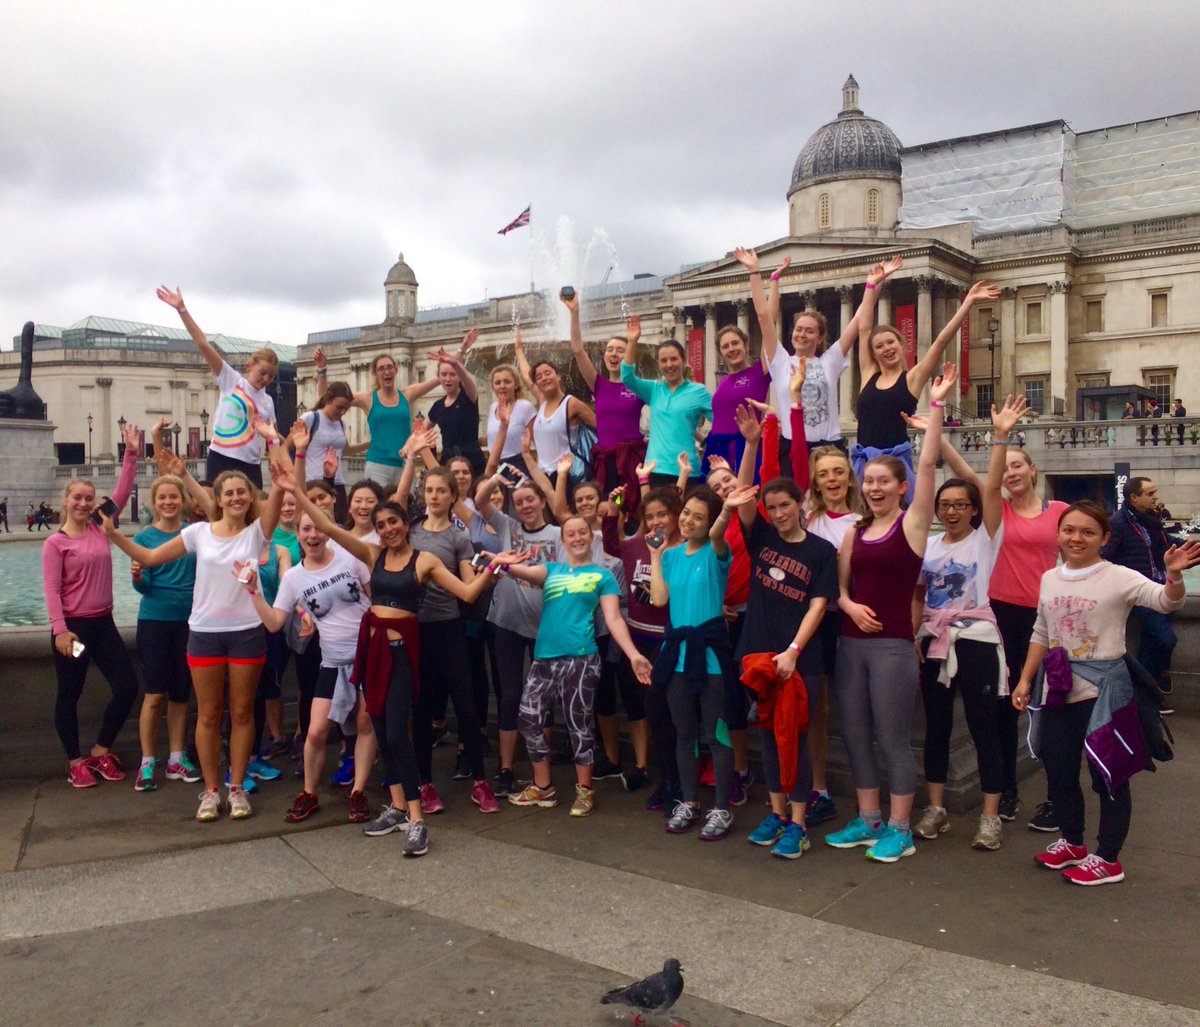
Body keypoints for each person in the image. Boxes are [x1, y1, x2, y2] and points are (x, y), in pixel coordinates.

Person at [293, 482, 498, 855]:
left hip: (401, 654)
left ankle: (416, 821)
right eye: (381, 524)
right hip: (372, 652)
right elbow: (328, 525)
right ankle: (398, 806)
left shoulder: (425, 561)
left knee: (397, 734)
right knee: (382, 730)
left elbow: (467, 594)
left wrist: (493, 568)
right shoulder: (373, 555)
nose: (388, 529)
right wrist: (296, 489)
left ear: (406, 523)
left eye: (393, 522)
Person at [1011, 502, 1199, 886]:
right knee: (1059, 770)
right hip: (1060, 689)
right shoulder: (1050, 578)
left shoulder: (1119, 577)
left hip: (1105, 692)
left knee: (1108, 775)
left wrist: (1174, 576)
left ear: (1104, 538)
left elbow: (1167, 602)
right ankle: (1073, 841)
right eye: (1069, 530)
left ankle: (1108, 858)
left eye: (1087, 532)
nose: (1076, 538)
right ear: (1058, 534)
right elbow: (1042, 633)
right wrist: (1025, 679)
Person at [103, 435, 287, 822]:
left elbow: (284, 488)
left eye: (243, 492)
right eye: (229, 493)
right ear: (217, 499)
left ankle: (236, 788)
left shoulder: (257, 534)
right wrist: (115, 535)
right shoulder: (198, 533)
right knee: (206, 714)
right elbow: (151, 557)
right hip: (204, 632)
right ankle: (210, 790)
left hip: (246, 631)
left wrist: (277, 448)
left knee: (240, 713)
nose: (237, 497)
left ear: (250, 498)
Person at [825, 365, 956, 863]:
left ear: (900, 488)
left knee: (893, 739)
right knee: (856, 735)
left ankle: (900, 826)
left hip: (894, 646)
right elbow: (839, 585)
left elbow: (926, 468)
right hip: (849, 642)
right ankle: (868, 818)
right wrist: (848, 604)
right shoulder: (856, 530)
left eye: (883, 481)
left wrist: (937, 407)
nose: (874, 487)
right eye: (869, 480)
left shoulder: (914, 525)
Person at [908, 397, 1024, 851]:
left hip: (975, 639)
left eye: (961, 504)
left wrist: (999, 437)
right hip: (935, 640)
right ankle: (936, 808)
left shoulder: (985, 540)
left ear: (974, 510)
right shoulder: (930, 546)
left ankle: (990, 816)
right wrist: (914, 633)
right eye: (945, 504)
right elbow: (917, 592)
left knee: (983, 728)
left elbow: (992, 488)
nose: (952, 511)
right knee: (936, 728)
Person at [492, 517, 653, 817]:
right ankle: (543, 786)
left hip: (581, 659)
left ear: (590, 539)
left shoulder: (603, 576)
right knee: (528, 719)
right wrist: (498, 562)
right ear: (563, 541)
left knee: (578, 725)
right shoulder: (551, 570)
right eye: (571, 534)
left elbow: (614, 618)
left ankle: (585, 790)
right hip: (544, 659)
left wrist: (632, 655)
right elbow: (520, 571)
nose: (577, 538)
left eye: (582, 533)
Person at [238, 510, 375, 824]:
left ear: (328, 531)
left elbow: (374, 599)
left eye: (318, 529)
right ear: (297, 534)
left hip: (368, 656)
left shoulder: (349, 559)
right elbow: (274, 623)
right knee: (315, 732)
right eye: (306, 530)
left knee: (366, 723)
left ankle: (358, 791)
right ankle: (309, 792)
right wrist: (252, 591)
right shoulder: (294, 578)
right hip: (333, 662)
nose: (313, 535)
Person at [732, 472, 838, 860]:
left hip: (799, 661)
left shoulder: (821, 551)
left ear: (801, 505)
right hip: (758, 656)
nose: (778, 514)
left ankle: (798, 823)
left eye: (785, 506)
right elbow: (743, 494)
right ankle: (777, 815)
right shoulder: (761, 538)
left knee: (794, 737)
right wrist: (751, 442)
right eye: (772, 507)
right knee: (767, 737)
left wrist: (793, 650)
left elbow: (818, 605)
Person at [42, 422, 142, 788]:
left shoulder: (102, 526)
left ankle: (100, 751)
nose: (84, 503)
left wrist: (130, 453)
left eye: (89, 498)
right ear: (65, 502)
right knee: (70, 693)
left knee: (127, 686)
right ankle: (75, 761)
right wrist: (61, 630)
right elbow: (51, 589)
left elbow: (123, 489)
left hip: (102, 626)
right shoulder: (56, 543)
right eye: (77, 498)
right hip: (76, 630)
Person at [649, 485, 747, 841]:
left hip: (711, 659)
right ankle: (689, 801)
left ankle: (722, 808)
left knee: (716, 734)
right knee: (684, 733)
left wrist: (726, 513)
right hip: (676, 658)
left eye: (699, 516)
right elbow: (660, 598)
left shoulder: (716, 551)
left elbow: (719, 533)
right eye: (687, 513)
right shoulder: (672, 555)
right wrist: (656, 555)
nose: (690, 520)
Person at [739, 249, 896, 465]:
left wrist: (875, 284)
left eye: (809, 331)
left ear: (819, 337)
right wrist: (754, 272)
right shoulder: (780, 360)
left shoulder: (829, 361)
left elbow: (859, 319)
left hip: (829, 448)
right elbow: (764, 317)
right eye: (798, 329)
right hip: (793, 448)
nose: (802, 334)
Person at [986, 429, 1069, 830]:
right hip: (1003, 615)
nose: (1011, 472)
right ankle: (1007, 790)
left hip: (1049, 619)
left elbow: (1082, 559)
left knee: (1053, 707)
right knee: (1004, 708)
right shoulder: (999, 511)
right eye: (1006, 468)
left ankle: (1057, 797)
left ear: (1033, 471)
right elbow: (975, 477)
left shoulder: (1060, 512)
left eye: (1018, 465)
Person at [854, 276, 999, 497]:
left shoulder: (911, 379)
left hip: (895, 464)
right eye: (880, 346)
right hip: (863, 461)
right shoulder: (868, 374)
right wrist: (871, 285)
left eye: (891, 342)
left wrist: (968, 302)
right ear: (873, 353)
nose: (887, 348)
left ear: (901, 345)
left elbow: (940, 342)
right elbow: (864, 328)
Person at [406, 468, 498, 815]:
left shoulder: (459, 537)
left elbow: (468, 586)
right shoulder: (411, 531)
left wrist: (492, 571)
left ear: (451, 496)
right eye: (429, 490)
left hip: (449, 627)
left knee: (467, 705)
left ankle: (479, 780)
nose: (434, 496)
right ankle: (425, 783)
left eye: (441, 491)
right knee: (423, 707)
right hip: (417, 629)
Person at [474, 475, 561, 797]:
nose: (525, 505)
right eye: (519, 501)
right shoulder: (509, 526)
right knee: (510, 696)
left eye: (530, 499)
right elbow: (481, 501)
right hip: (507, 623)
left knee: (544, 699)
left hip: (547, 626)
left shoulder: (557, 534)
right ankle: (506, 768)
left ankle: (543, 764)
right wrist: (496, 477)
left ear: (541, 501)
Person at [602, 485, 683, 809]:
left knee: (674, 716)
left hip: (668, 641)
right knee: (653, 714)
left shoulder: (683, 549)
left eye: (662, 514)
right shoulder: (638, 544)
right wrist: (613, 506)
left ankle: (679, 784)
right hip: (637, 641)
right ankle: (665, 781)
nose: (656, 522)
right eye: (649, 516)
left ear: (675, 515)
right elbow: (610, 544)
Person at [156, 286, 277, 488]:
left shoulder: (268, 401)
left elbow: (274, 438)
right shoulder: (232, 380)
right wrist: (182, 309)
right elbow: (203, 344)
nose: (265, 379)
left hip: (250, 462)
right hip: (222, 455)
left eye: (271, 377)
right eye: (262, 373)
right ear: (250, 367)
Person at [129, 473, 202, 792]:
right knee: (155, 693)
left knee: (181, 693)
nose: (169, 502)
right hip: (155, 620)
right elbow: (140, 587)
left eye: (174, 496)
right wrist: (138, 578)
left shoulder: (194, 535)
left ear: (183, 501)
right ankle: (147, 761)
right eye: (163, 498)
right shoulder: (144, 538)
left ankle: (176, 757)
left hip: (189, 621)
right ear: (154, 503)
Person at [313, 346, 443, 490]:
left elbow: (441, 378)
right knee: (379, 508)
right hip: (377, 465)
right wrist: (322, 369)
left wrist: (454, 357)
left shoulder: (407, 394)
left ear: (396, 370)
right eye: (381, 369)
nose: (386, 371)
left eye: (389, 367)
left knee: (405, 508)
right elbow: (326, 399)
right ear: (374, 373)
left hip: (405, 463)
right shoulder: (367, 399)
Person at [565, 297, 647, 519]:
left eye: (620, 350)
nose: (613, 354)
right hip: (607, 461)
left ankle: (630, 537)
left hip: (631, 460)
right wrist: (574, 313)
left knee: (630, 505)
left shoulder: (638, 387)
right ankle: (612, 539)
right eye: (610, 350)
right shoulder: (598, 384)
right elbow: (578, 350)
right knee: (609, 505)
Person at [1102, 477, 1181, 696]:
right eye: (1150, 493)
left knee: (1150, 643)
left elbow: (1171, 543)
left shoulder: (1151, 521)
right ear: (1134, 498)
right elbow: (1103, 557)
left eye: (1155, 492)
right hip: (1138, 593)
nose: (1155, 497)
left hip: (1160, 589)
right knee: (1166, 640)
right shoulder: (1118, 523)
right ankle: (1159, 677)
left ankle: (1145, 695)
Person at [621, 332, 711, 489]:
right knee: (655, 513)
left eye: (674, 359)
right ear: (659, 364)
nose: (669, 365)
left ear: (683, 361)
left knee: (685, 513)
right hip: (655, 468)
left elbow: (720, 421)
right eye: (664, 360)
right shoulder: (653, 389)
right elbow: (627, 376)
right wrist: (632, 341)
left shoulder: (699, 392)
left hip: (687, 469)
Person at [514, 332, 596, 485]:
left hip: (567, 474)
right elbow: (527, 376)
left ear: (558, 376)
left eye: (548, 373)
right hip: (543, 474)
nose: (544, 378)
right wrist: (519, 350)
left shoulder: (571, 403)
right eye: (539, 377)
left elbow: (599, 425)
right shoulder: (542, 399)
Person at [703, 317, 770, 476]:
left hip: (744, 447)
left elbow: (769, 321)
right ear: (721, 353)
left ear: (745, 344)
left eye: (735, 343)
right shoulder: (724, 380)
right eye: (725, 346)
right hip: (717, 450)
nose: (731, 349)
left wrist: (771, 290)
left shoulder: (759, 372)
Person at [426, 332, 485, 475]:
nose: (448, 379)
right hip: (448, 461)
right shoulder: (437, 406)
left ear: (459, 377)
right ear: (438, 378)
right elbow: (422, 430)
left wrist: (456, 360)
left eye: (453, 375)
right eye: (444, 375)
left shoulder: (468, 395)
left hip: (472, 460)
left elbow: (466, 378)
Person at [487, 362, 538, 477]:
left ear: (516, 385)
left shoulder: (525, 407)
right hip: (494, 466)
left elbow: (537, 441)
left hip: (517, 466)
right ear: (493, 386)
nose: (502, 386)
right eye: (497, 383)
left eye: (507, 381)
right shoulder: (492, 408)